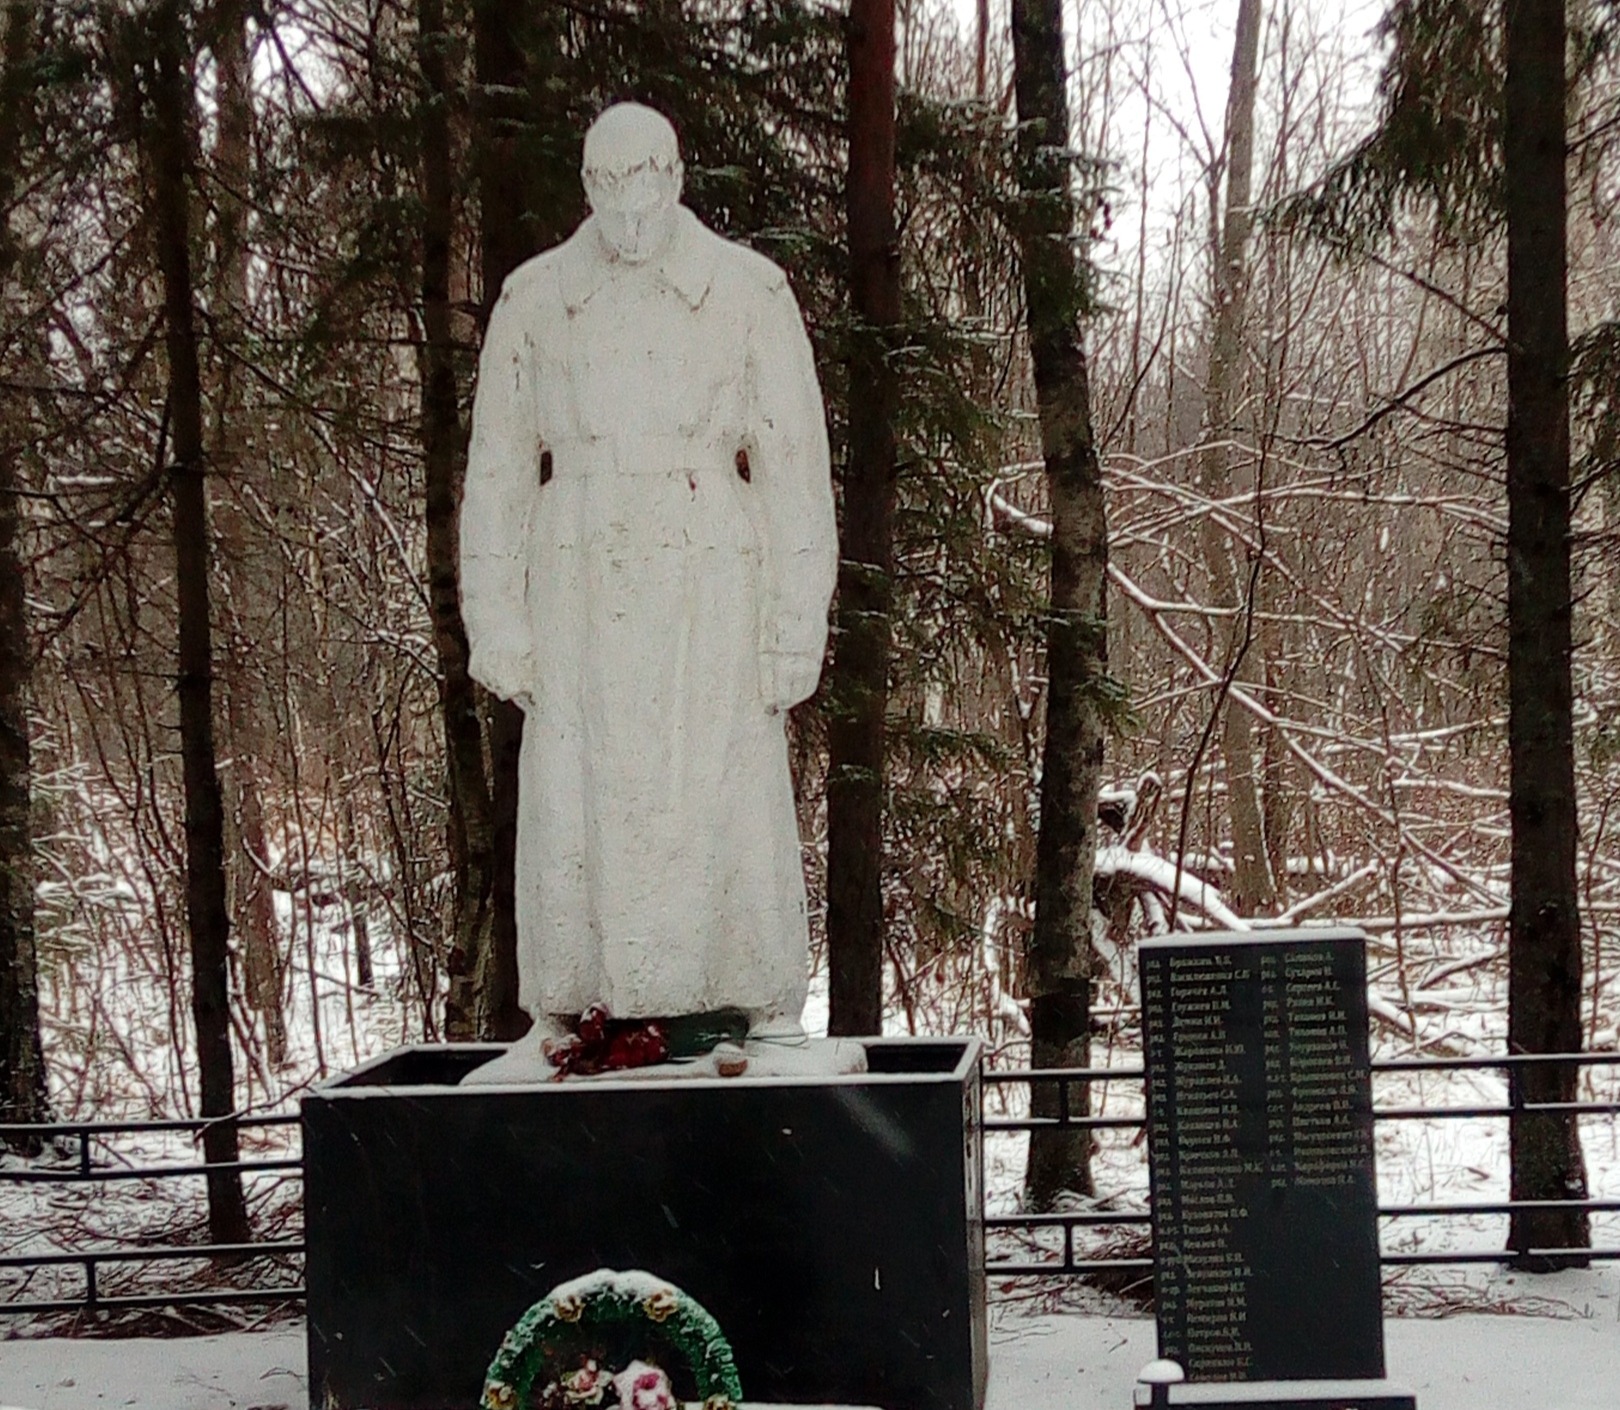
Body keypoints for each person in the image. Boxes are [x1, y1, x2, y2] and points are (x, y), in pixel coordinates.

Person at [459, 103, 837, 1041]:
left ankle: (754, 995)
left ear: (676, 176)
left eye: (649, 183)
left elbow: (795, 469)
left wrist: (797, 624)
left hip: (712, 585)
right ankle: (571, 1005)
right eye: (609, 186)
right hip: (578, 580)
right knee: (574, 794)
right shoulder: (534, 300)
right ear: (586, 188)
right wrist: (497, 622)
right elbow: (499, 472)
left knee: (726, 787)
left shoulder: (750, 294)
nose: (630, 210)